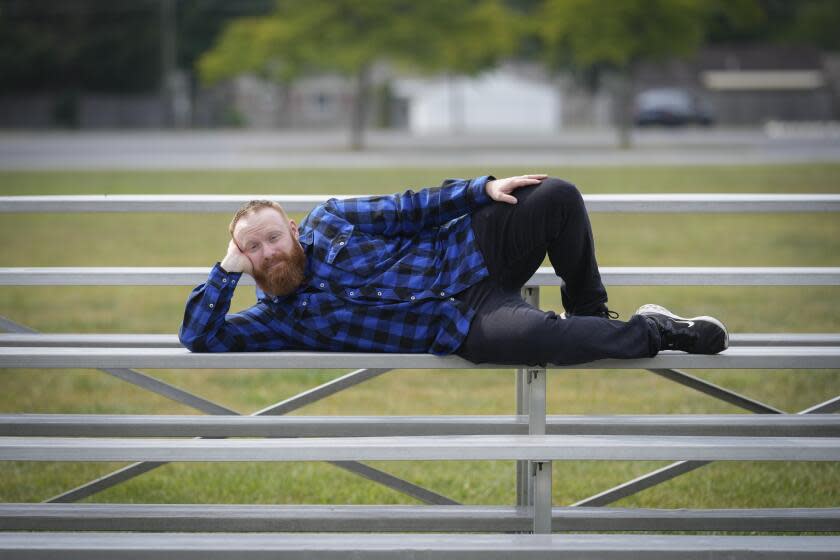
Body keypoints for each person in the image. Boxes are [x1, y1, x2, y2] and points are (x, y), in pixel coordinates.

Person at [179, 175, 728, 366]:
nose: (269, 252)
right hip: (464, 321)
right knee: (539, 336)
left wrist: (481, 191)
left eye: (273, 237)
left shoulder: (332, 219)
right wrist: (227, 268)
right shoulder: (276, 320)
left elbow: (409, 207)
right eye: (253, 248)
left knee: (555, 196)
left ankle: (590, 312)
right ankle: (655, 330)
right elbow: (198, 336)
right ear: (242, 259)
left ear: (294, 229)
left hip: (471, 248)